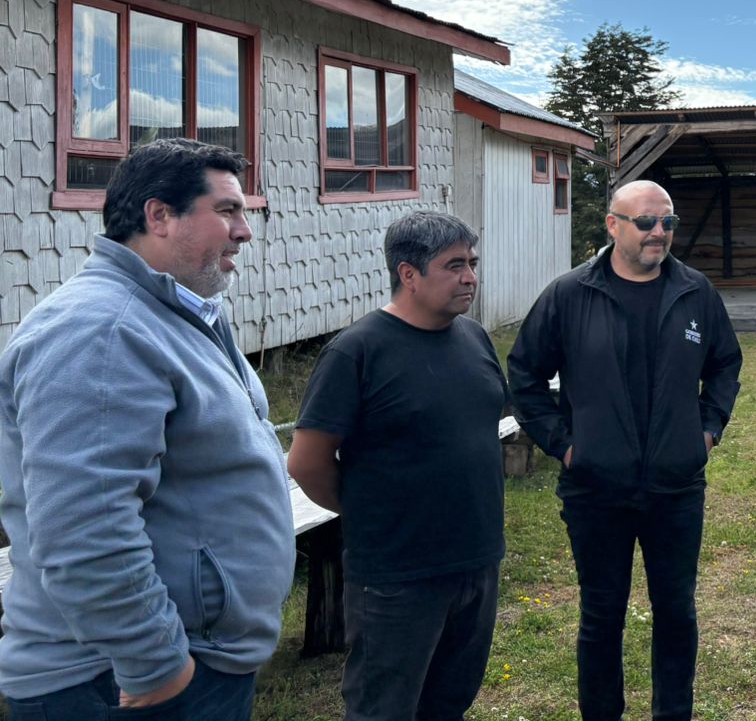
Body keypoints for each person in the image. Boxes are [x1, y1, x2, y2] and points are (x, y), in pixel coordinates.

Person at [0, 138, 296, 719]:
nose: (245, 232)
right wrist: (154, 662)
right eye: (228, 211)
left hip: (186, 659)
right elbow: (85, 526)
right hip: (119, 680)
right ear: (159, 216)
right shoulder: (101, 332)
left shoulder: (176, 314)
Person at [508, 179, 742, 721]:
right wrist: (565, 446)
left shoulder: (695, 292)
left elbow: (725, 364)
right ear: (612, 225)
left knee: (677, 612)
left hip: (676, 487)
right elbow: (524, 374)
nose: (660, 233)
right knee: (601, 614)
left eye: (668, 223)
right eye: (647, 223)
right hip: (595, 488)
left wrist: (706, 432)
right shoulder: (570, 294)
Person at [288, 212, 509, 721]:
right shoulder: (357, 351)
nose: (471, 277)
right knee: (383, 708)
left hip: (476, 561)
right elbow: (307, 462)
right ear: (408, 274)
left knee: (449, 702)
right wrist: (370, 507)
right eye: (455, 266)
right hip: (396, 575)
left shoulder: (473, 338)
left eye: (472, 263)